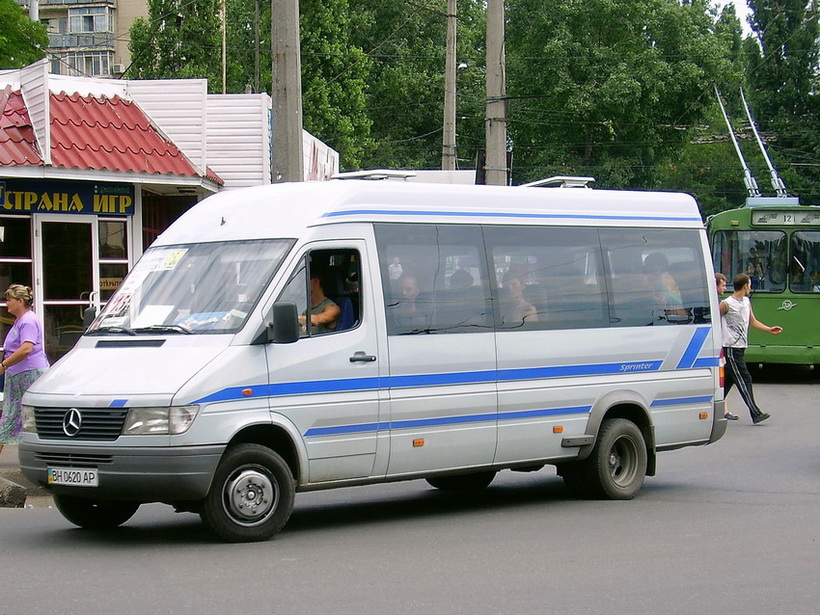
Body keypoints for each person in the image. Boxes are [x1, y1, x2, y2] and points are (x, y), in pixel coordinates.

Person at [719, 273, 782, 424]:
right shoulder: (727, 304)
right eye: (749, 285)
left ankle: (712, 405)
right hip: (731, 348)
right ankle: (755, 412)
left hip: (741, 347)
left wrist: (768, 329)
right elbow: (714, 320)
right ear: (745, 286)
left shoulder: (746, 301)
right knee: (744, 377)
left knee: (728, 381)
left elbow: (752, 321)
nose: (750, 288)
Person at [0, 285, 50, 455]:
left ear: (20, 301)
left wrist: (4, 365)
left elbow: (26, 349)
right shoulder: (20, 321)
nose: (6, 304)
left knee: (34, 419)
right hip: (17, 377)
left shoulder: (28, 320)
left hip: (29, 375)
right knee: (9, 418)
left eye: (9, 300)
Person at [715, 273, 738, 420]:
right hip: (720, 343)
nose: (725, 288)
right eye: (722, 285)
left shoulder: (718, 301)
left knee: (724, 376)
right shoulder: (718, 303)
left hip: (722, 343)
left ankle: (724, 408)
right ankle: (722, 409)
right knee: (723, 376)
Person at [644, 252, 687, 322]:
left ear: (664, 266)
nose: (655, 267)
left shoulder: (667, 278)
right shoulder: (645, 278)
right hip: (656, 315)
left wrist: (665, 300)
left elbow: (674, 296)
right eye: (650, 265)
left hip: (673, 315)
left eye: (658, 265)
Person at [299, 269, 341, 334]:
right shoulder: (302, 304)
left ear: (315, 282)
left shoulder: (332, 308)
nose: (300, 285)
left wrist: (293, 318)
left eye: (303, 281)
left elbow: (316, 319)